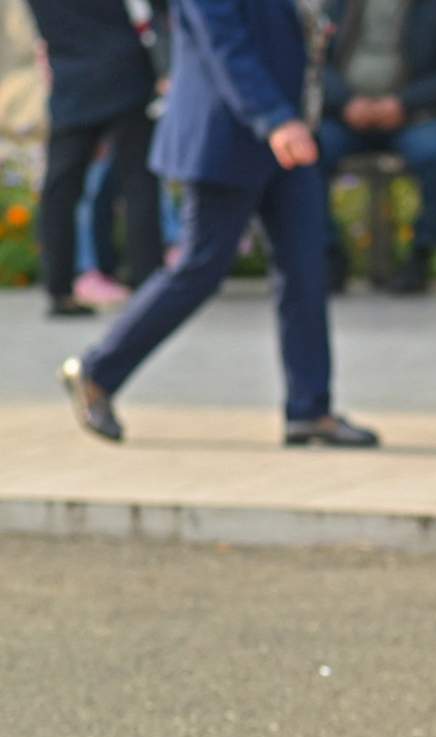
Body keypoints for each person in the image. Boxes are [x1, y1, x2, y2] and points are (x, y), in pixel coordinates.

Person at [60, 0, 377, 449]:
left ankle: (310, 409)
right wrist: (275, 120)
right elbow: (226, 48)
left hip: (290, 134)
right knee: (200, 268)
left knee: (306, 269)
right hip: (228, 136)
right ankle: (97, 371)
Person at [316, 0, 436, 295]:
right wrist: (346, 102)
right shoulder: (336, 4)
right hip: (346, 117)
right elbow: (313, 62)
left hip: (412, 117)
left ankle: (420, 255)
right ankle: (328, 253)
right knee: (309, 150)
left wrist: (402, 103)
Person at [26, 0, 166, 317]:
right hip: (127, 72)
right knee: (139, 183)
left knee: (60, 187)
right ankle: (150, 287)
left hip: (71, 80)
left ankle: (60, 289)